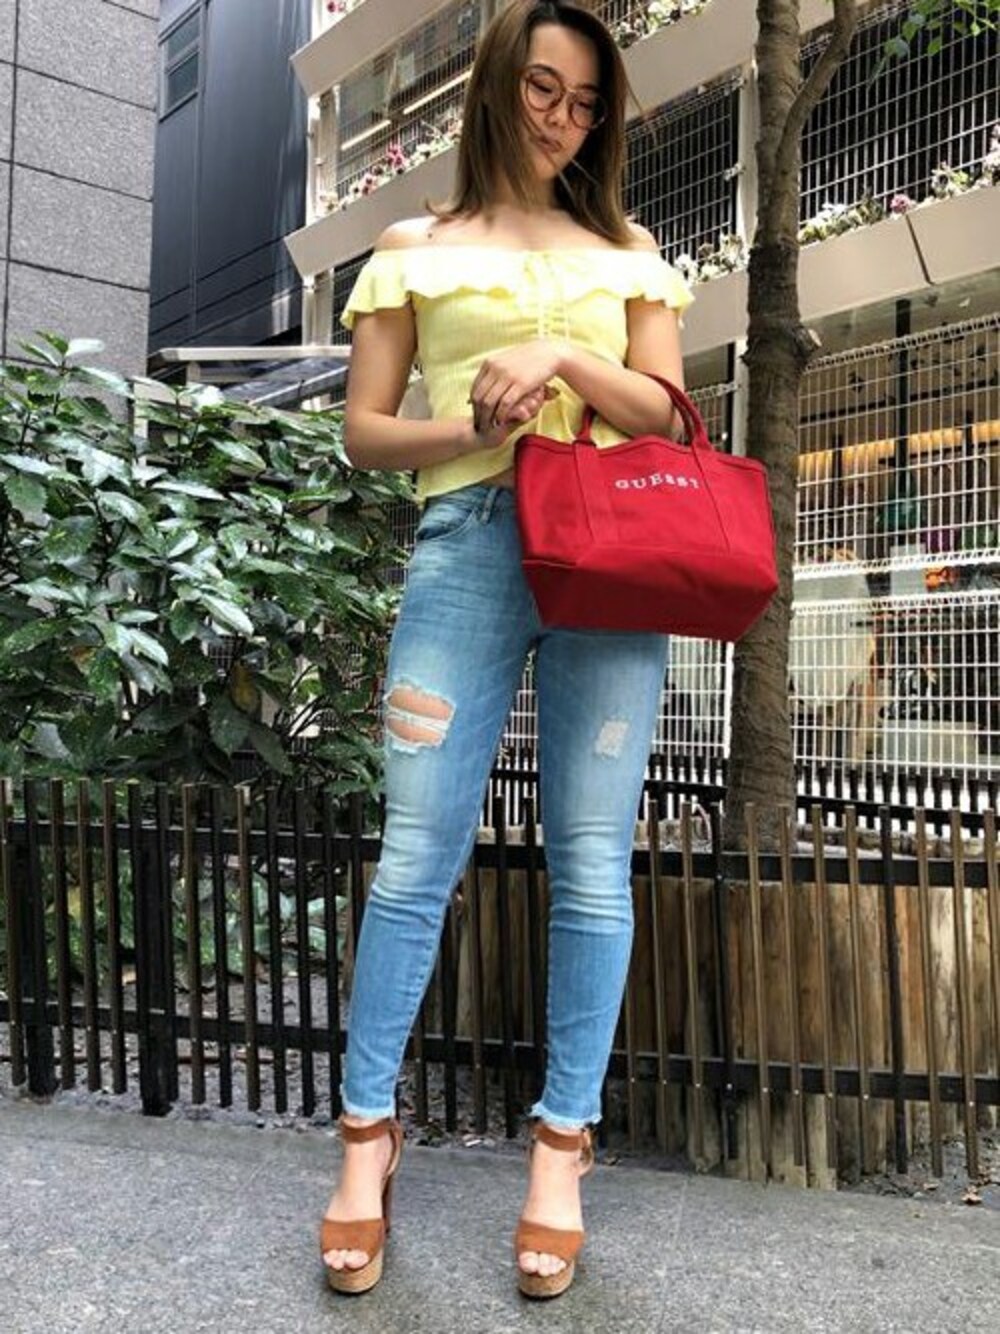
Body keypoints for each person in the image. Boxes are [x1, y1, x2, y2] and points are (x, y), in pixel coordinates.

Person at [319, 0, 694, 1300]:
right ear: (494, 85)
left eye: (586, 102)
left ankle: (560, 1150)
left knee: (592, 860)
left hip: (607, 558)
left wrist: (565, 357)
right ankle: (366, 1139)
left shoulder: (628, 251)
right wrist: (475, 429)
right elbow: (366, 431)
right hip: (468, 546)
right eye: (544, 89)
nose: (563, 119)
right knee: (416, 853)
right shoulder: (413, 249)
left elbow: (666, 412)